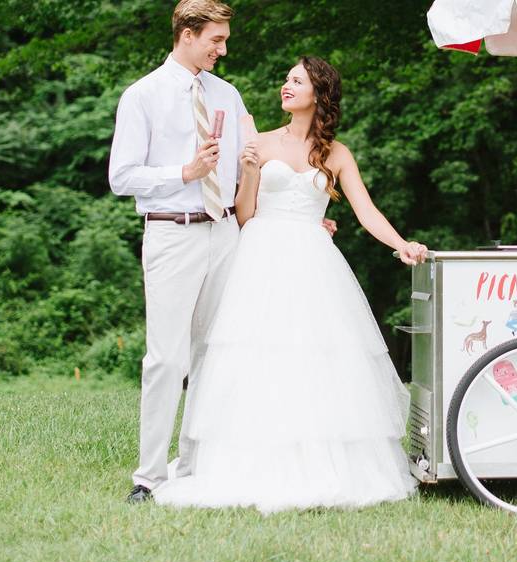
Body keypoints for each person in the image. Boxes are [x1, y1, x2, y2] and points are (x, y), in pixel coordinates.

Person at [153, 57, 427, 512]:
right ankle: (251, 465)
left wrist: (401, 243)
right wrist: (252, 171)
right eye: (286, 79)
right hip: (261, 257)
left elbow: (365, 210)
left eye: (296, 81)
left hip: (314, 261)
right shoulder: (258, 142)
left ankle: (322, 464)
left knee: (317, 358)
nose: (285, 86)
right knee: (259, 358)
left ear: (318, 94)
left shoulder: (336, 153)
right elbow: (244, 215)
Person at [109, 1, 335, 504]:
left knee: (214, 353)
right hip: (172, 233)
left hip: (228, 234)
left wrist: (298, 211)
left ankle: (194, 463)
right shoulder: (142, 96)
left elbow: (250, 163)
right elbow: (120, 175)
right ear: (187, 34)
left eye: (225, 39)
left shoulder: (227, 95)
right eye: (216, 39)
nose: (223, 49)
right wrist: (181, 174)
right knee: (167, 358)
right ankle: (148, 476)